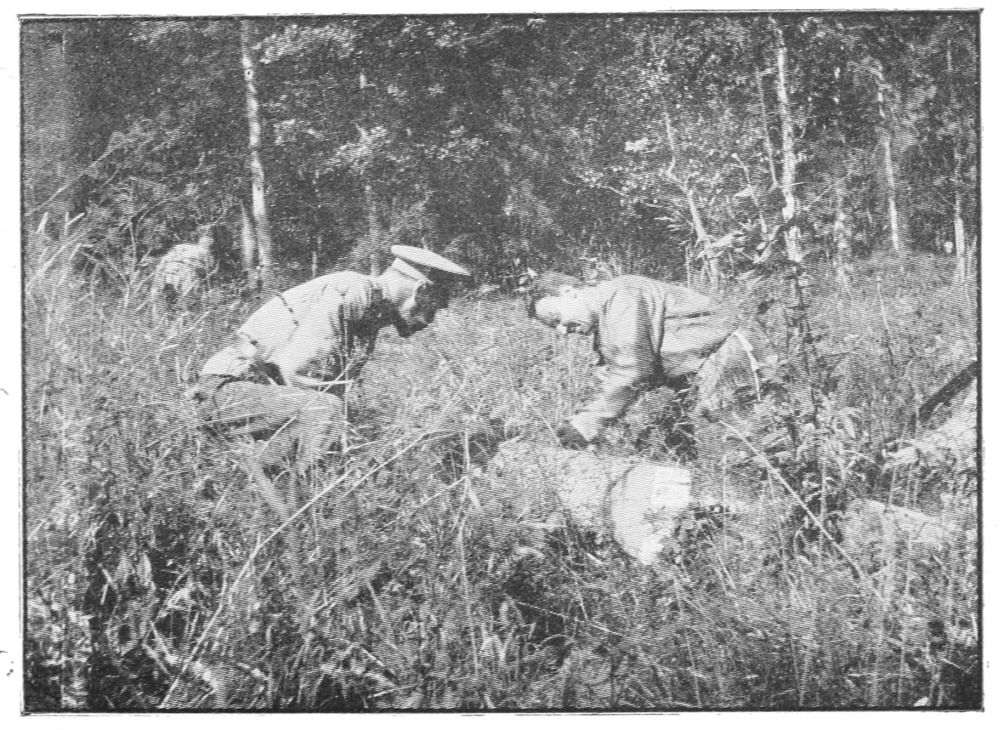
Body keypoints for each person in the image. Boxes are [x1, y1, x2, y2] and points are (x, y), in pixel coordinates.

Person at [189, 245, 470, 469]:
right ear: (421, 291)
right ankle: (300, 503)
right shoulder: (354, 292)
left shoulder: (372, 310)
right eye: (434, 307)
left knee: (342, 426)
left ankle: (274, 487)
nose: (430, 319)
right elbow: (299, 373)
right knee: (325, 412)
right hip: (225, 393)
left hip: (259, 399)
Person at [525, 271, 769, 451]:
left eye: (556, 318)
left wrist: (587, 424)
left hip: (727, 358)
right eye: (554, 327)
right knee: (674, 444)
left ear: (570, 292)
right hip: (702, 371)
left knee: (741, 446)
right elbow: (624, 378)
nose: (562, 330)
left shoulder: (621, 295)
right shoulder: (607, 319)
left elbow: (633, 371)